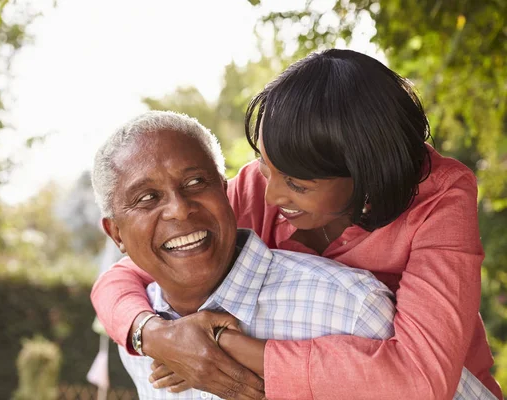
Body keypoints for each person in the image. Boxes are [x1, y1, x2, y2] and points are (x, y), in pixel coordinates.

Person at [91, 50, 503, 399]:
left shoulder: (440, 198)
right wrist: (154, 334)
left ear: (363, 177)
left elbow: (421, 378)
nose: (269, 197)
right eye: (266, 168)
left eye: (297, 185)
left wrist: (218, 345)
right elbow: (127, 273)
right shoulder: (260, 185)